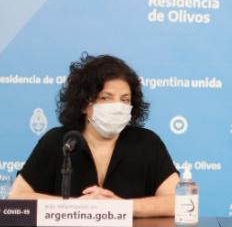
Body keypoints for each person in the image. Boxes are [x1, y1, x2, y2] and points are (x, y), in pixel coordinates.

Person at [10, 53, 179, 218]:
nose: (118, 106)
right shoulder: (60, 141)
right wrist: (78, 207)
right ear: (84, 104)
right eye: (106, 98)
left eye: (125, 100)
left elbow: (180, 202)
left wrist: (122, 207)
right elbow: (17, 198)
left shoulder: (147, 143)